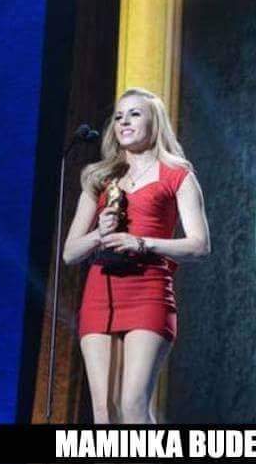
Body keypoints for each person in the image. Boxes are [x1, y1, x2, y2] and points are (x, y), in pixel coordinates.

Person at [62, 87, 211, 424]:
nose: (124, 122)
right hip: (101, 293)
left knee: (132, 404)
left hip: (149, 291)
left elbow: (199, 245)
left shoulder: (177, 175)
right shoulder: (99, 178)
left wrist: (142, 243)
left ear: (154, 122)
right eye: (118, 117)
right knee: (104, 411)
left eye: (134, 114)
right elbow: (70, 253)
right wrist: (98, 235)